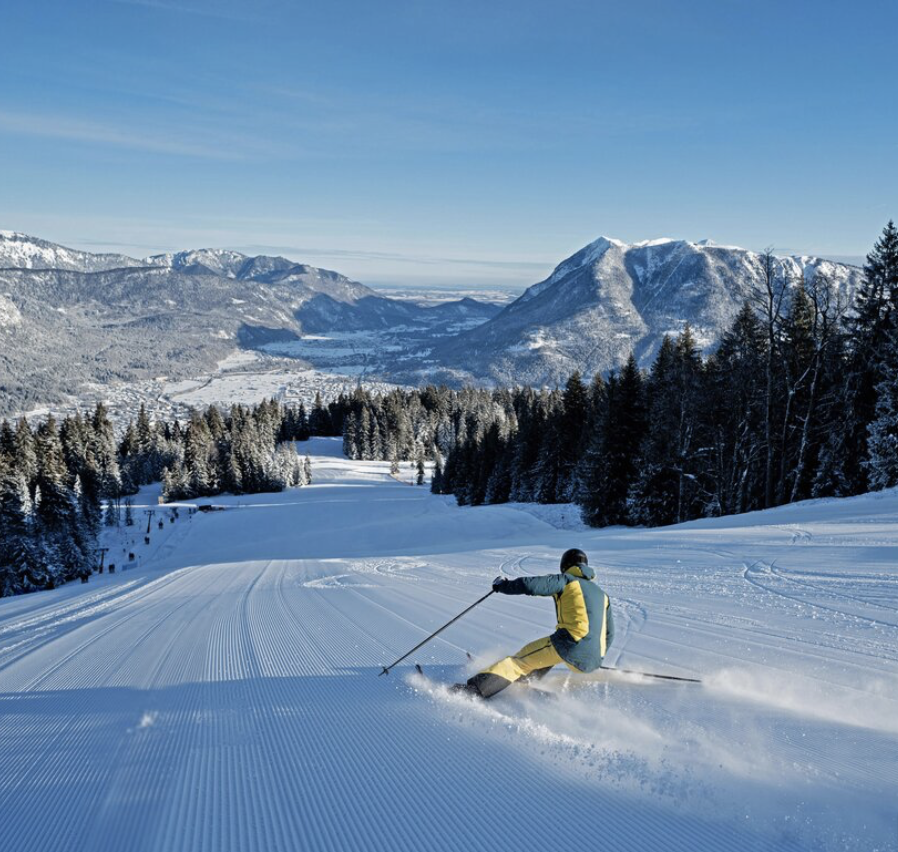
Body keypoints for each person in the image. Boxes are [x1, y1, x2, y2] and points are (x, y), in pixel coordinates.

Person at [454, 548, 614, 699]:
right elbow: (609, 634)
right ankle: (527, 679)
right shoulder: (603, 595)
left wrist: (503, 586)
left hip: (569, 645)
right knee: (547, 651)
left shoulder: (567, 580)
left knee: (518, 662)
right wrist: (592, 654)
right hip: (595, 659)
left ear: (565, 566)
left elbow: (532, 585)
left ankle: (474, 691)